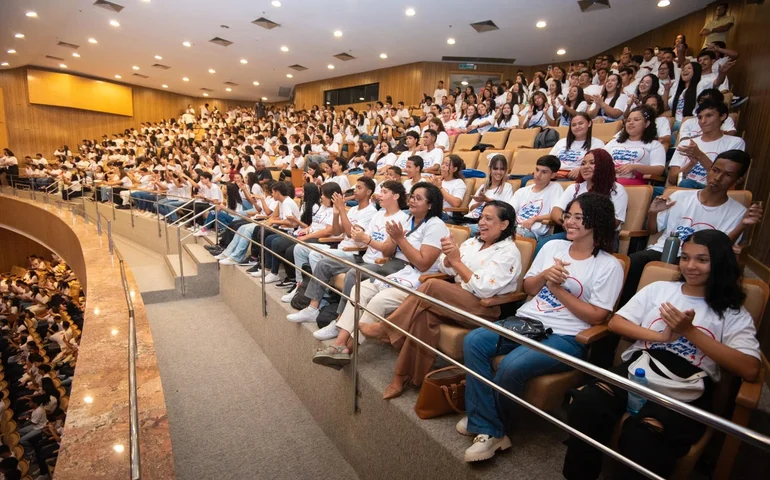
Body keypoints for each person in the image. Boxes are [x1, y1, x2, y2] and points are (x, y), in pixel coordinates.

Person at [563, 230, 760, 480]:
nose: (690, 266)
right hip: (641, 364)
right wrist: (662, 337)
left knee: (645, 435)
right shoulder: (660, 289)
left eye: (702, 260)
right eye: (685, 257)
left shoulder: (731, 311)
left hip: (689, 381)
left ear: (720, 262)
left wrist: (688, 332)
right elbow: (616, 324)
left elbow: (750, 368)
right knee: (588, 403)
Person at [458, 192, 624, 463]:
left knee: (512, 365)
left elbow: (597, 316)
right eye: (568, 215)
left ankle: (490, 429)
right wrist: (546, 277)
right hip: (528, 321)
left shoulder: (609, 265)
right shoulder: (552, 248)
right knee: (474, 340)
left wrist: (557, 289)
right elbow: (529, 288)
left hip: (567, 336)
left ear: (597, 222)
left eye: (578, 217)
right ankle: (489, 424)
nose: (569, 222)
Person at [359, 201, 521, 398]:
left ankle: (386, 327)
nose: (482, 222)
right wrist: (448, 255)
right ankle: (402, 377)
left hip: (484, 307)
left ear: (504, 224)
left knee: (432, 286)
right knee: (423, 317)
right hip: (456, 297)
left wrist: (456, 260)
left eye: (489, 218)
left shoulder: (509, 252)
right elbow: (445, 268)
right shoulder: (472, 242)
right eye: (481, 217)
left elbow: (484, 289)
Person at [311, 182, 450, 366]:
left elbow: (423, 264)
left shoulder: (435, 225)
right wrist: (393, 239)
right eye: (412, 196)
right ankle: (339, 343)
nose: (413, 201)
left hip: (419, 277)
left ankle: (347, 349)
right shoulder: (406, 220)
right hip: (397, 268)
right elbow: (386, 252)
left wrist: (400, 238)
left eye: (419, 198)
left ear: (430, 205)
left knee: (378, 301)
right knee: (360, 289)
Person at [619, 150, 762, 306]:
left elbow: (722, 247)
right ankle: (625, 310)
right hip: (663, 250)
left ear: (738, 179)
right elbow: (652, 231)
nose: (718, 178)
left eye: (728, 175)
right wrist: (653, 213)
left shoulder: (738, 212)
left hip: (698, 259)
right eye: (715, 170)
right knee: (633, 262)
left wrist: (742, 225)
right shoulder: (679, 197)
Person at [288, 181, 409, 340]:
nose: (380, 195)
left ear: (396, 196)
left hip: (379, 263)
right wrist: (357, 231)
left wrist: (364, 238)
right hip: (362, 256)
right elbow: (355, 234)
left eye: (384, 192)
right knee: (324, 263)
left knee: (353, 273)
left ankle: (339, 322)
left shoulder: (401, 218)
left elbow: (385, 249)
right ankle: (313, 308)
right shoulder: (379, 215)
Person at [259, 183, 338, 284]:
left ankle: (295, 280)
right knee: (270, 238)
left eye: (323, 194)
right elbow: (312, 225)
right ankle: (274, 271)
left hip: (319, 238)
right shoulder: (321, 207)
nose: (321, 196)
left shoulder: (325, 209)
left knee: (282, 246)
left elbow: (327, 231)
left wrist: (304, 231)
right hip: (304, 232)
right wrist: (307, 229)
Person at [667, 101, 745, 188]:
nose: (703, 121)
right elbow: (672, 180)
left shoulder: (735, 142)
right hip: (681, 189)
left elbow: (724, 178)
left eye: (709, 116)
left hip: (711, 190)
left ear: (722, 116)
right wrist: (691, 163)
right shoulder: (686, 143)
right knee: (651, 190)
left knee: (686, 183)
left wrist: (699, 155)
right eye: (700, 117)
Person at [602, 106, 666, 186]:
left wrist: (635, 167)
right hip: (610, 177)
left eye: (636, 120)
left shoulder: (654, 145)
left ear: (647, 124)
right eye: (628, 120)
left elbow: (659, 170)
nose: (631, 123)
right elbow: (599, 159)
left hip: (634, 181)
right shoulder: (614, 142)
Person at [510, 155, 564, 239]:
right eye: (537, 170)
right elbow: (509, 212)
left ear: (553, 175)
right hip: (513, 228)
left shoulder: (555, 188)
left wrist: (534, 219)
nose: (538, 175)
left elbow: (555, 214)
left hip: (533, 233)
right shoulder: (521, 191)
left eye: (544, 172)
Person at [549, 112, 604, 179]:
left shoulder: (598, 144)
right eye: (574, 125)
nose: (577, 127)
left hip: (580, 178)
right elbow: (549, 161)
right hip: (556, 176)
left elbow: (601, 165)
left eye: (581, 123)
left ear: (589, 123)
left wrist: (581, 169)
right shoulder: (562, 142)